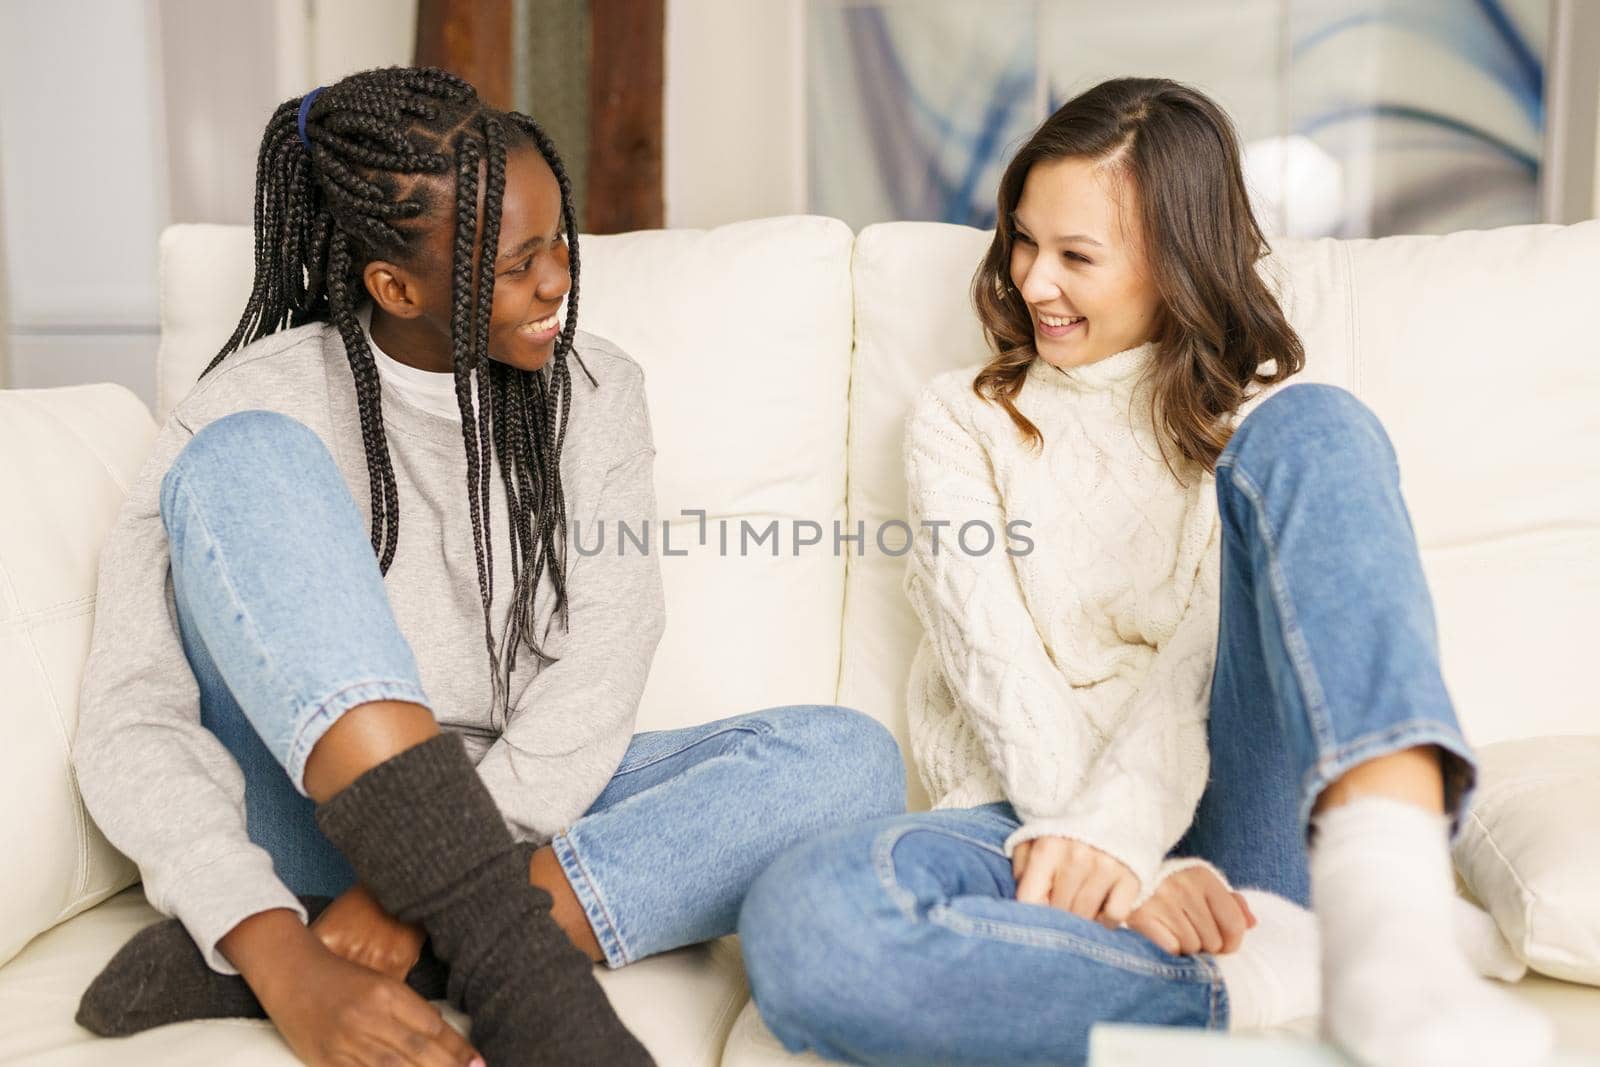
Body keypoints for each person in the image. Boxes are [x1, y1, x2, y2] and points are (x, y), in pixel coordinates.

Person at [71, 66, 906, 1067]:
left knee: (847, 761)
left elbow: (606, 651)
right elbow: (133, 717)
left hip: (505, 803)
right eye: (517, 263)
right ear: (397, 285)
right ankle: (501, 964)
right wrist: (274, 946)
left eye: (558, 240)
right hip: (306, 811)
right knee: (245, 457)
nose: (555, 278)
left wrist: (408, 889)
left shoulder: (594, 391)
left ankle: (417, 941)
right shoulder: (254, 406)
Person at [737, 77, 1552, 1067]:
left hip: (1241, 815)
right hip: (1027, 818)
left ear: (1175, 264)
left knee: (1323, 428)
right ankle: (1267, 971)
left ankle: (1391, 909)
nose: (1035, 281)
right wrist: (1101, 854)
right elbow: (995, 665)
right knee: (812, 925)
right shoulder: (960, 419)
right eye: (1022, 241)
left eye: (1076, 255)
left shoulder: (1252, 423)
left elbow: (1191, 671)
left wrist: (1127, 839)